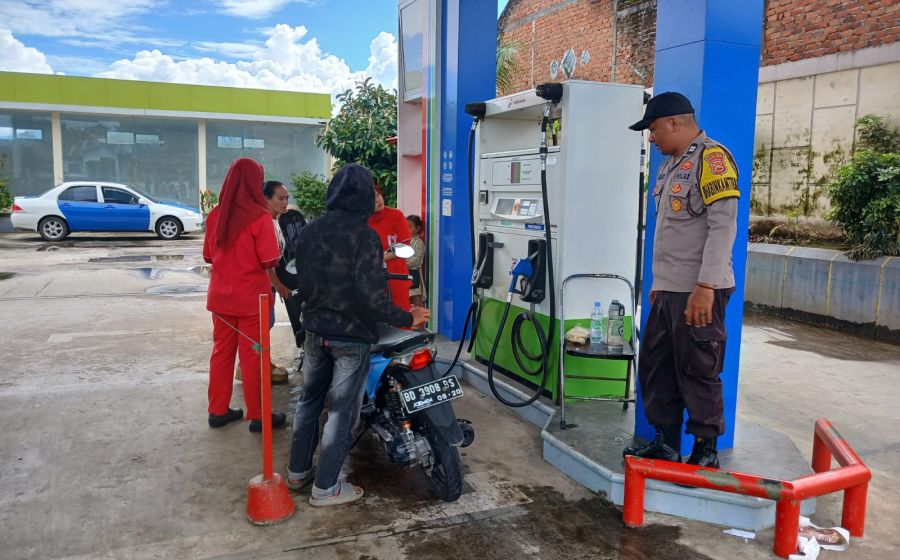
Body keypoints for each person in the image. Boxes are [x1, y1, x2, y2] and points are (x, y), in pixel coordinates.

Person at [286, 163, 430, 506]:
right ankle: (326, 488)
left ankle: (297, 472)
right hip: (350, 338)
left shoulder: (311, 230)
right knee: (341, 412)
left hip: (315, 332)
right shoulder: (364, 236)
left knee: (309, 403)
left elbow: (300, 281)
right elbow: (372, 298)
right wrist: (407, 316)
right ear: (365, 196)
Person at [623, 92, 740, 468]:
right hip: (669, 290)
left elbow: (723, 227)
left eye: (653, 128)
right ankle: (667, 444)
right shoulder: (669, 166)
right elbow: (671, 231)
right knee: (656, 365)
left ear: (674, 123)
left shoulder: (713, 159)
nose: (651, 136)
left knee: (698, 368)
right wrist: (659, 283)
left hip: (699, 290)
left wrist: (706, 286)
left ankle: (705, 451)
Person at [203, 158, 287, 433]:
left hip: (220, 300)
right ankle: (259, 416)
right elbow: (270, 259)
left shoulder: (216, 215)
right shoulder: (259, 217)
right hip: (252, 302)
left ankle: (217, 410)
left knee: (221, 354)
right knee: (254, 356)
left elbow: (208, 256)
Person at [262, 180, 292, 384]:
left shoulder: (276, 220)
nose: (285, 202)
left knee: (267, 324)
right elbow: (266, 262)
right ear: (266, 199)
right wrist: (278, 284)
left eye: (287, 198)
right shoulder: (264, 222)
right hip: (262, 284)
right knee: (264, 324)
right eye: (280, 198)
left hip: (270, 283)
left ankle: (261, 362)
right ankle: (253, 365)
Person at [368, 185, 412, 311]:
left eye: (378, 194)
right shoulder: (361, 222)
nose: (378, 199)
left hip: (396, 279)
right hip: (371, 281)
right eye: (372, 198)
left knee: (400, 317)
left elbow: (405, 246)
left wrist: (379, 258)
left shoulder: (396, 215)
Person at [406, 214, 427, 307]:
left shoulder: (418, 243)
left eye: (409, 227)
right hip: (405, 276)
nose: (406, 229)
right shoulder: (405, 241)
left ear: (418, 228)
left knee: (415, 301)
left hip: (414, 276)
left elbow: (416, 260)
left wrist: (401, 262)